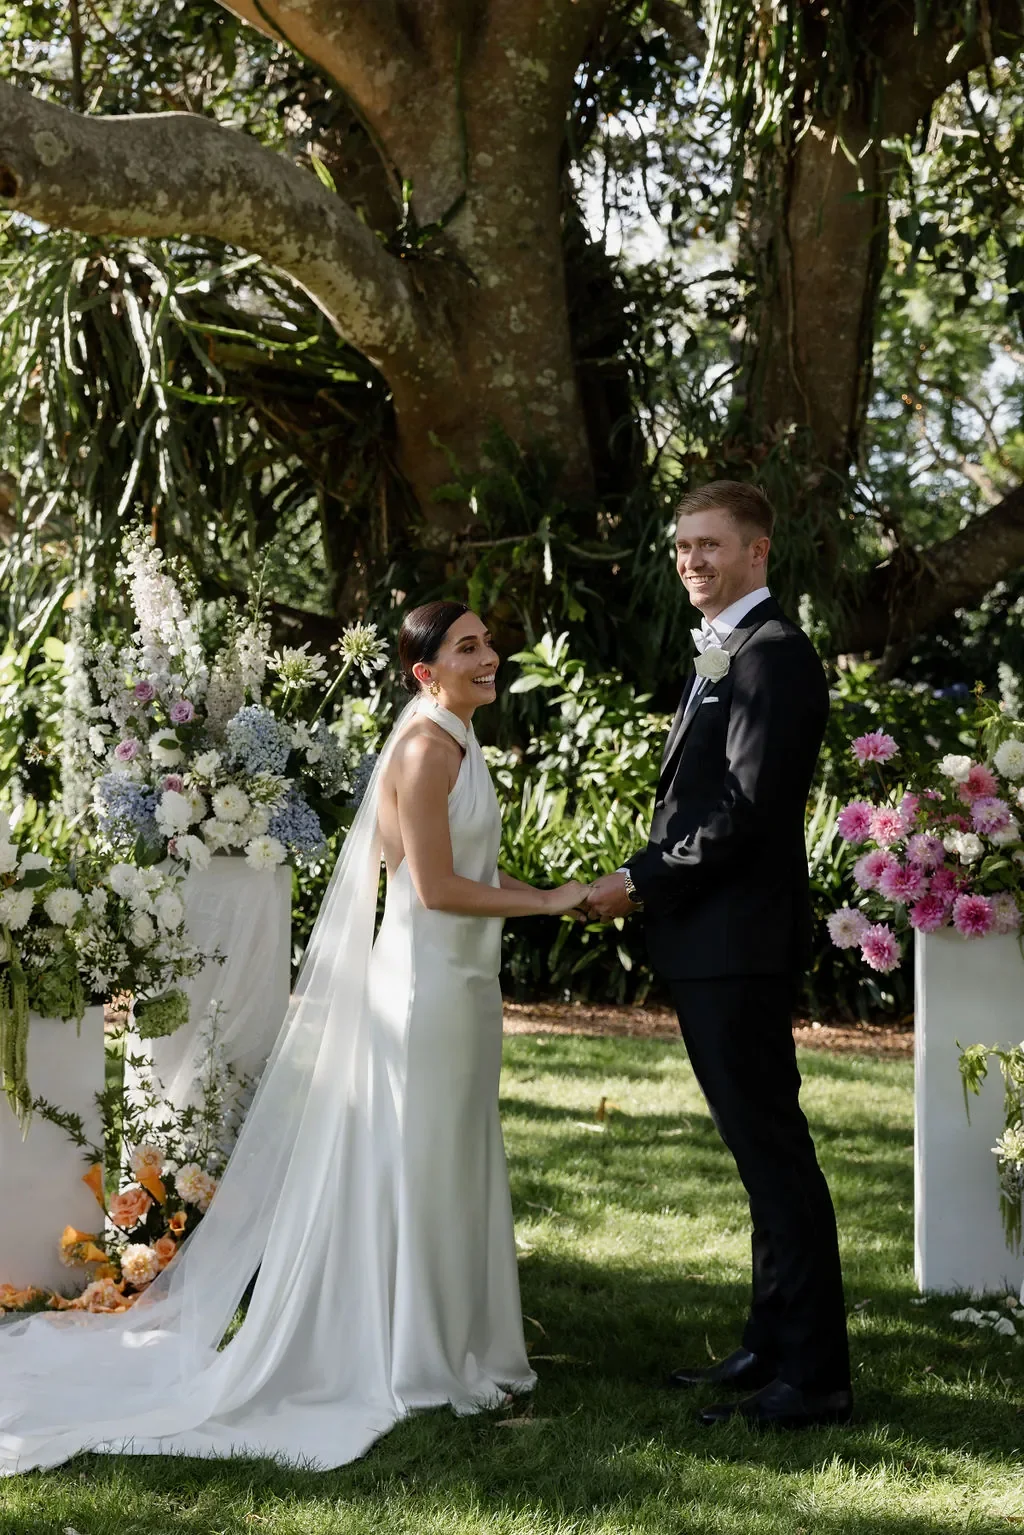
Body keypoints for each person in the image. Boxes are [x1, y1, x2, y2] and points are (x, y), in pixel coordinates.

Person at [0, 601, 586, 1475]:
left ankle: (454, 1342)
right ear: (425, 672)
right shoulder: (428, 746)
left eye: (489, 642)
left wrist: (563, 887)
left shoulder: (455, 739)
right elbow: (430, 885)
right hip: (427, 987)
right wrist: (548, 905)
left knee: (451, 1154)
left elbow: (474, 868)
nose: (490, 655)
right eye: (469, 647)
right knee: (423, 1160)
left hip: (462, 986)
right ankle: (417, 1357)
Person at [585, 481, 852, 1431]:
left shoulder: (772, 657)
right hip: (715, 942)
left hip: (736, 942)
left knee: (775, 1156)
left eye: (710, 545)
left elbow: (742, 814)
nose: (691, 560)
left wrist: (643, 879)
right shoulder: (725, 649)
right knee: (759, 1155)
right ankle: (769, 1342)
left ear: (758, 553)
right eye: (681, 546)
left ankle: (816, 1375)